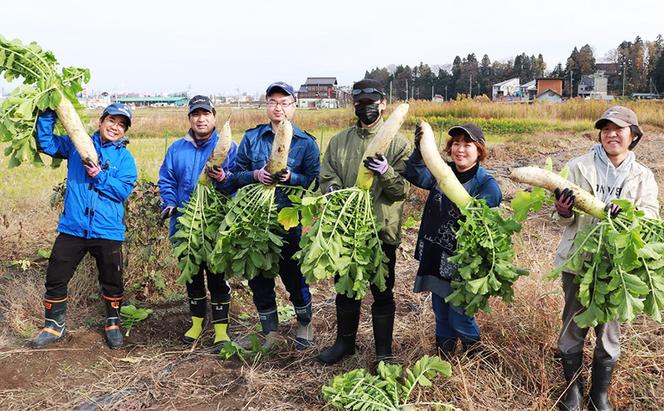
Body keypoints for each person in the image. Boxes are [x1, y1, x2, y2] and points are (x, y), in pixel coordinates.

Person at [553, 106, 659, 411]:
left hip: (617, 271)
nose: (611, 134)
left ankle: (599, 394)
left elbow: (650, 217)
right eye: (606, 128)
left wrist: (627, 212)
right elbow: (560, 218)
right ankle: (572, 392)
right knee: (572, 327)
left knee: (609, 335)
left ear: (634, 136)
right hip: (579, 261)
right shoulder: (577, 166)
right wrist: (563, 210)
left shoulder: (643, 176)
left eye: (619, 129)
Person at [318, 79, 411, 365]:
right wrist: (331, 188)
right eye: (360, 103)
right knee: (346, 288)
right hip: (346, 229)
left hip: (381, 229)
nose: (365, 108)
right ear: (354, 105)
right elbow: (327, 174)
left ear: (383, 104)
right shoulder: (339, 141)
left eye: (371, 103)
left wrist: (386, 172)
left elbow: (402, 191)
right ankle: (344, 344)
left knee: (382, 291)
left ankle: (383, 351)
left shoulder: (399, 144)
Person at [31, 103, 138, 349]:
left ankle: (113, 323)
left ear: (124, 131)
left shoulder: (125, 158)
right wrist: (49, 112)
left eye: (122, 125)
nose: (115, 127)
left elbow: (122, 190)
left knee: (112, 279)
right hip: (73, 228)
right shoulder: (76, 145)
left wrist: (99, 175)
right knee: (56, 276)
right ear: (101, 122)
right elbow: (46, 143)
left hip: (107, 230)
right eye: (112, 120)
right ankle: (53, 326)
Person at [229, 81, 320, 350]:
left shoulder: (306, 143)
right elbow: (236, 176)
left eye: (284, 102)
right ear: (266, 105)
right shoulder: (252, 138)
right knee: (259, 278)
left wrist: (293, 177)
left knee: (294, 276)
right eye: (273, 102)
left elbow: (315, 181)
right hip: (256, 219)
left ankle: (305, 323)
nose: (278, 107)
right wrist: (255, 175)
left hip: (289, 220)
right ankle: (271, 333)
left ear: (293, 107)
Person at [403, 123, 501, 359]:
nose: (460, 149)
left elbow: (488, 209)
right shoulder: (441, 171)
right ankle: (444, 358)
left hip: (464, 262)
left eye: (467, 144)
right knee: (440, 311)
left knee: (460, 313)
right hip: (437, 254)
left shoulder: (486, 184)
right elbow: (414, 172)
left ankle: (475, 358)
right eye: (456, 143)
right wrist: (419, 149)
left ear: (479, 150)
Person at [158, 95, 238, 351]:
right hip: (185, 224)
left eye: (205, 114)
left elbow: (237, 180)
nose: (200, 119)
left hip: (215, 224)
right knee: (191, 275)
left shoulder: (228, 146)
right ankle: (195, 324)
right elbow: (167, 180)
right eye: (195, 114)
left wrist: (225, 178)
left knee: (217, 277)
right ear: (190, 118)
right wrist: (169, 203)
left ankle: (221, 330)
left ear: (213, 116)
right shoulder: (176, 149)